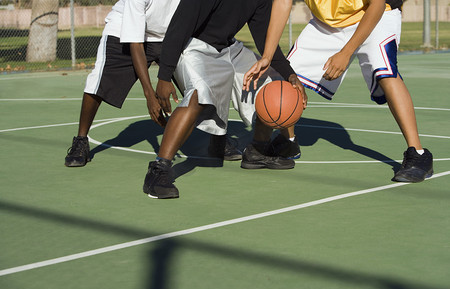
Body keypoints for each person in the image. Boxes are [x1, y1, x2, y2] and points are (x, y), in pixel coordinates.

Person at [243, 0, 433, 183]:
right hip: (329, 23)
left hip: (377, 15)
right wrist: (268, 56)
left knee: (384, 72)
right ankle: (284, 141)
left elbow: (377, 4)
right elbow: (283, 3)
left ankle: (418, 153)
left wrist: (346, 51)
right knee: (286, 75)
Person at [143, 0, 308, 199]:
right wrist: (164, 76)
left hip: (229, 48)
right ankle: (160, 168)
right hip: (194, 47)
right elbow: (179, 26)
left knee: (274, 81)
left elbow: (266, 40)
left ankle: (258, 150)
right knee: (198, 94)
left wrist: (291, 76)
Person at [64, 0, 241, 167]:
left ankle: (218, 138)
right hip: (125, 32)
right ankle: (81, 140)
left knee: (208, 75)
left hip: (173, 34)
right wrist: (149, 94)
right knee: (100, 82)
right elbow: (136, 44)